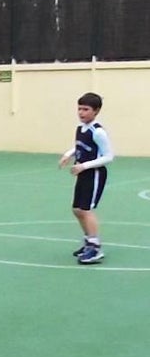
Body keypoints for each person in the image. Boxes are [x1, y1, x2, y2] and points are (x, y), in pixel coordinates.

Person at [58, 92, 113, 265]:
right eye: (79, 108)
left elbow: (109, 156)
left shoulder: (98, 132)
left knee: (86, 210)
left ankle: (95, 248)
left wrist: (84, 165)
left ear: (96, 111)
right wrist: (68, 154)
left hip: (94, 173)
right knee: (77, 209)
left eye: (86, 109)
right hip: (82, 173)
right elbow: (79, 146)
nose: (81, 112)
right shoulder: (80, 128)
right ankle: (88, 240)